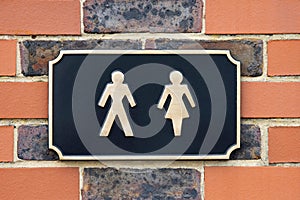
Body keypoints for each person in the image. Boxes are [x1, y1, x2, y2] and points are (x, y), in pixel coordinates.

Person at [98, 71, 136, 137]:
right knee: (113, 119)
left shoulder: (124, 87)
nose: (118, 81)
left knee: (121, 118)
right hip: (116, 105)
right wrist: (102, 103)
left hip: (117, 105)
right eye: (116, 79)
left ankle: (128, 133)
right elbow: (105, 95)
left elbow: (129, 95)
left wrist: (132, 103)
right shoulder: (110, 87)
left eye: (119, 79)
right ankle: (105, 132)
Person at [157, 70, 196, 136]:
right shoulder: (177, 87)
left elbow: (164, 97)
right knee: (176, 118)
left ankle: (177, 132)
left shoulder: (177, 87)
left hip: (174, 106)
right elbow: (164, 97)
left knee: (177, 118)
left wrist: (160, 106)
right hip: (178, 105)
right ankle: (177, 132)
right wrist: (192, 105)